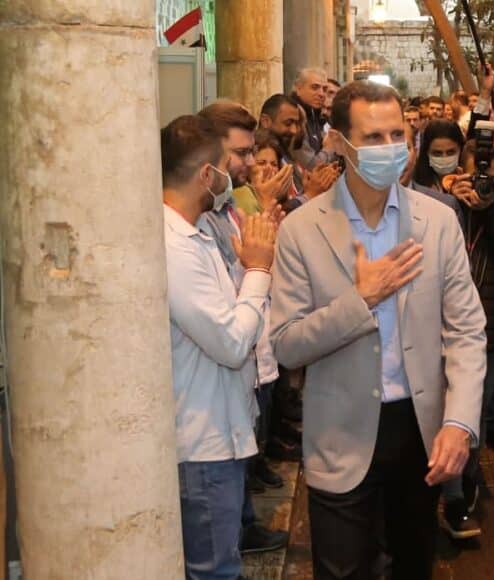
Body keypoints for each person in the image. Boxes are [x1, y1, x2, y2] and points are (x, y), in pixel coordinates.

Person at [269, 80, 486, 580]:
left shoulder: (437, 221)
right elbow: (286, 344)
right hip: (339, 433)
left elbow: (467, 331)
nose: (390, 148)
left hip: (419, 430)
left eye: (397, 135)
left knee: (413, 566)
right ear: (339, 142)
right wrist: (360, 300)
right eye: (373, 137)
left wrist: (460, 422)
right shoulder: (302, 229)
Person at [161, 114, 278, 580]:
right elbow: (230, 342)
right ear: (208, 175)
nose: (236, 176)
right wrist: (259, 270)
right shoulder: (174, 245)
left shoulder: (197, 232)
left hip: (219, 429)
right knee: (214, 571)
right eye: (228, 166)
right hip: (201, 443)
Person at [196, 101, 291, 555]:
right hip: (221, 369)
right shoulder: (196, 221)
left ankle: (243, 526)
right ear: (208, 157)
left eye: (252, 152)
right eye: (241, 153)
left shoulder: (227, 204)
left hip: (250, 355)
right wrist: (256, 263)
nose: (250, 163)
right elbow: (230, 296)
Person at [437, 135, 494, 540]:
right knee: (444, 410)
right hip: (442, 324)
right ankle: (451, 489)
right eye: (476, 171)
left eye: (490, 172)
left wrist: (491, 206)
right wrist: (452, 198)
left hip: (493, 327)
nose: (483, 180)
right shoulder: (444, 205)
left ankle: (461, 487)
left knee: (471, 413)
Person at [409, 119, 465, 221]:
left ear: (460, 149)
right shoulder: (414, 183)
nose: (444, 157)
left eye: (451, 152)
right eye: (437, 153)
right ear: (427, 153)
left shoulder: (469, 179)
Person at [290, 68, 330, 168]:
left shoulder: (314, 113)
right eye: (315, 87)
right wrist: (330, 147)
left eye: (324, 89)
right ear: (298, 89)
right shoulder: (293, 115)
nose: (321, 94)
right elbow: (311, 165)